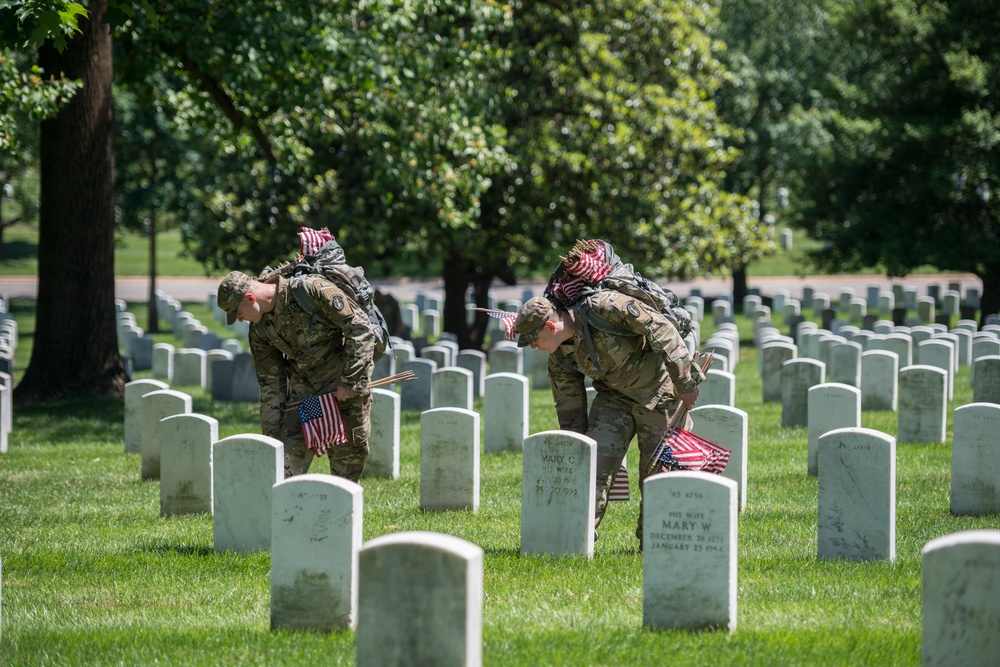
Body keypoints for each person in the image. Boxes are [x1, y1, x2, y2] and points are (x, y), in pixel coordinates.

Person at [514, 292, 704, 548]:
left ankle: (656, 543)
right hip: (613, 400)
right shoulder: (559, 356)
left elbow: (661, 328)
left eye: (534, 340)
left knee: (659, 474)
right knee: (592, 469)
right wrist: (577, 446)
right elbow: (569, 406)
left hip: (660, 395)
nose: (533, 347)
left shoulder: (605, 308)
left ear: (550, 326)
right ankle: (577, 536)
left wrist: (684, 381)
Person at [217, 269, 375, 481]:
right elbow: (270, 382)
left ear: (249, 298)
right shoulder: (260, 330)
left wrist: (350, 380)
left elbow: (360, 329)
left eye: (238, 312)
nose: (239, 319)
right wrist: (270, 437)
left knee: (346, 475)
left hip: (344, 392)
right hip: (305, 399)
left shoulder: (310, 290)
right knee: (284, 470)